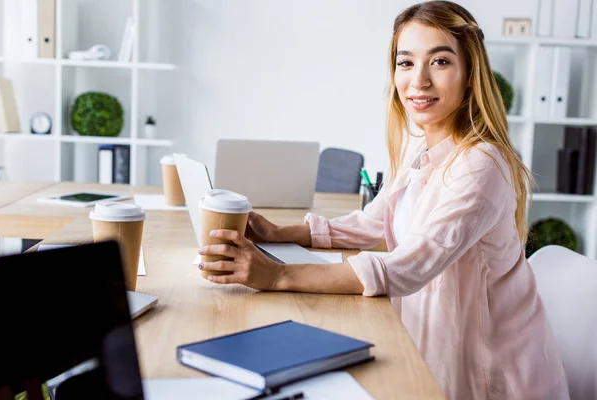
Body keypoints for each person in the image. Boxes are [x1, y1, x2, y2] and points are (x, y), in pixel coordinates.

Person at [197, 1, 570, 398]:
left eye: (440, 62)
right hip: (426, 346)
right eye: (405, 63)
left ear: (470, 73)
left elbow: (408, 267)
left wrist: (276, 276)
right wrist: (280, 232)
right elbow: (375, 222)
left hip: (491, 378)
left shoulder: (481, 165)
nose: (418, 82)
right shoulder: (419, 145)